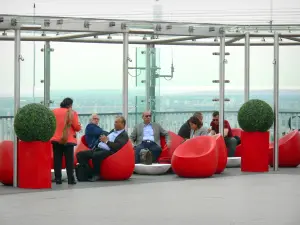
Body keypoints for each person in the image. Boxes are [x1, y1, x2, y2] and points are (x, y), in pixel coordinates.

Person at [76, 116, 128, 182]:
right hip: (98, 148)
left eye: (117, 122)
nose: (115, 124)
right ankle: (88, 173)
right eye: (115, 122)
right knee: (80, 154)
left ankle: (96, 174)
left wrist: (106, 141)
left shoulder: (123, 135)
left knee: (96, 155)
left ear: (122, 124)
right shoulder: (112, 131)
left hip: (109, 151)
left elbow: (117, 147)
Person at [51, 97, 81, 185]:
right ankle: (71, 179)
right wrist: (79, 126)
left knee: (57, 159)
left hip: (56, 139)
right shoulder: (72, 113)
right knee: (69, 160)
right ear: (70, 105)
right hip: (68, 139)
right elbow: (76, 127)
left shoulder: (54, 112)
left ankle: (58, 179)